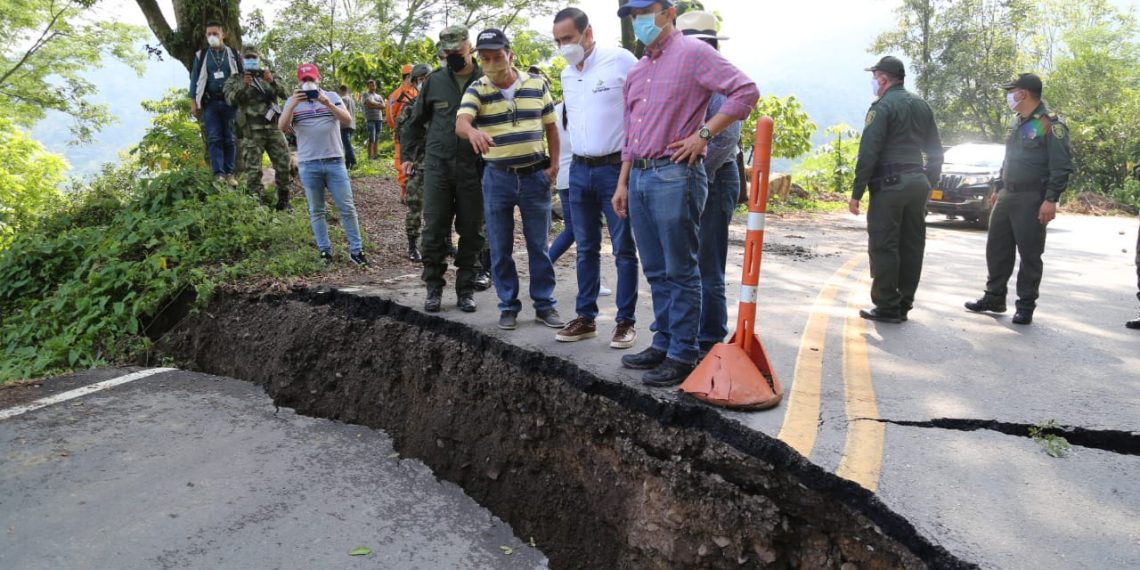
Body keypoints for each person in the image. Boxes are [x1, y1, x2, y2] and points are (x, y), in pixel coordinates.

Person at [612, 0, 759, 387]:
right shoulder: (639, 69)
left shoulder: (694, 53)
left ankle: (683, 352)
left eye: (645, 12)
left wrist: (703, 134)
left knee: (681, 270)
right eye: (633, 15)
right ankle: (663, 342)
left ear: (667, 11)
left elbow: (745, 92)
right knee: (656, 270)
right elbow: (630, 134)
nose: (639, 20)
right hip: (641, 176)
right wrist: (623, 182)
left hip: (675, 174)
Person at [456, 28, 565, 331]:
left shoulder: (536, 84)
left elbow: (551, 129)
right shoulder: (477, 88)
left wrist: (553, 166)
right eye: (485, 58)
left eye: (497, 56)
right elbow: (461, 122)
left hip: (535, 177)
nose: (491, 63)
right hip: (497, 178)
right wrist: (473, 131)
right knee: (500, 246)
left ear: (510, 54)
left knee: (538, 246)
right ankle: (508, 306)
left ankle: (545, 305)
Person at [552, 7, 640, 349]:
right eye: (558, 41)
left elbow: (640, 113)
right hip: (579, 169)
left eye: (569, 38)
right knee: (586, 247)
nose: (564, 46)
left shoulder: (620, 61)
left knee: (623, 248)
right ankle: (586, 317)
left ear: (587, 34)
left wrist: (627, 173)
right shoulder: (566, 75)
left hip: (615, 168)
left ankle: (625, 322)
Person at [965, 73, 1073, 325]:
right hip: (1007, 195)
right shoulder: (1018, 122)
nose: (1009, 96)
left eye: (1011, 91)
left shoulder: (1049, 125)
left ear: (1023, 93)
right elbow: (1009, 159)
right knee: (997, 249)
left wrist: (1051, 199)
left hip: (1031, 197)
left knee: (1030, 253)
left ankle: (1025, 306)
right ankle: (994, 297)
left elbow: (1061, 166)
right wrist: (998, 189)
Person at [849, 56, 944, 324]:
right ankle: (904, 303)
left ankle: (887, 305)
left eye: (875, 76)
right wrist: (929, 182)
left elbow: (869, 152)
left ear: (883, 79)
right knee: (912, 245)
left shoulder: (882, 107)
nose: (873, 82)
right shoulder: (922, 105)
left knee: (885, 244)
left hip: (890, 186)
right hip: (917, 183)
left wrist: (857, 192)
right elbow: (936, 151)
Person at [400, 25, 487, 314]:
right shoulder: (434, 82)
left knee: (472, 230)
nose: (452, 56)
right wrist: (409, 156)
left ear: (470, 47)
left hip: (474, 167)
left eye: (457, 51)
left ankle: (465, 289)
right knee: (435, 228)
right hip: (437, 165)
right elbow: (413, 122)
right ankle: (434, 288)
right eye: (447, 52)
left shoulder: (487, 78)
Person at [676, 10, 744, 355]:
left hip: (714, 178)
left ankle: (710, 339)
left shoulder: (718, 79)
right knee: (688, 261)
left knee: (708, 264)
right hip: (692, 176)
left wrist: (697, 175)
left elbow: (724, 139)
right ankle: (687, 333)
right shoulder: (689, 76)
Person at [278, 63, 368, 267]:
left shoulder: (332, 96)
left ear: (318, 79)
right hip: (309, 164)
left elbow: (347, 120)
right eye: (304, 80)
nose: (308, 83)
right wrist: (292, 104)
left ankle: (357, 250)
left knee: (347, 207)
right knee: (316, 210)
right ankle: (324, 251)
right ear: (299, 82)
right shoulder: (293, 101)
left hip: (335, 161)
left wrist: (326, 103)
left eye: (311, 79)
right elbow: (282, 127)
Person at [223, 45, 292, 210]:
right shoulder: (235, 79)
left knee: (283, 164)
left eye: (254, 58)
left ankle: (283, 201)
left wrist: (272, 81)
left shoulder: (269, 75)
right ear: (242, 60)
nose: (251, 61)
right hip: (251, 131)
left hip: (273, 128)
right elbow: (229, 100)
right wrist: (243, 86)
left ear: (259, 59)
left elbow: (286, 94)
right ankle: (257, 203)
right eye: (248, 58)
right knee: (253, 170)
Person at [189, 21, 242, 185]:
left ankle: (230, 174)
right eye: (209, 34)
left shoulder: (233, 53)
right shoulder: (202, 55)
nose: (212, 37)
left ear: (222, 35)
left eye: (215, 33)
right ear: (206, 36)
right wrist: (194, 102)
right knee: (214, 138)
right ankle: (218, 174)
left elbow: (243, 77)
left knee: (230, 138)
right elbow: (194, 80)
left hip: (230, 102)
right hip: (210, 102)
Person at [394, 64, 432, 263]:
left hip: (440, 164)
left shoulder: (442, 105)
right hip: (418, 164)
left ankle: (444, 243)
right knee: (415, 205)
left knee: (443, 206)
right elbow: (401, 136)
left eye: (427, 77)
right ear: (414, 81)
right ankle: (412, 245)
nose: (423, 81)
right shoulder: (410, 108)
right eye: (420, 78)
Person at [388, 64, 419, 200]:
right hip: (402, 133)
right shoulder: (396, 95)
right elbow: (390, 116)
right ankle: (404, 189)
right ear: (407, 77)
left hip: (418, 133)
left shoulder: (418, 92)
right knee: (401, 161)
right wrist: (398, 130)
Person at [362, 80, 385, 160]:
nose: (372, 87)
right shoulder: (365, 94)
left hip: (379, 119)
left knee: (377, 138)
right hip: (370, 119)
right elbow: (368, 104)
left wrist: (373, 104)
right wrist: (378, 104)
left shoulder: (379, 96)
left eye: (374, 85)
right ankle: (370, 157)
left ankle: (375, 156)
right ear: (368, 86)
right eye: (370, 85)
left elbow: (383, 106)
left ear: (376, 86)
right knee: (372, 137)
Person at [337, 85, 358, 169]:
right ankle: (347, 163)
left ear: (341, 91)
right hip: (351, 125)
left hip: (344, 125)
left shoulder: (343, 99)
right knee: (347, 144)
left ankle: (353, 162)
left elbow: (342, 109)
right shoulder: (352, 100)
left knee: (347, 145)